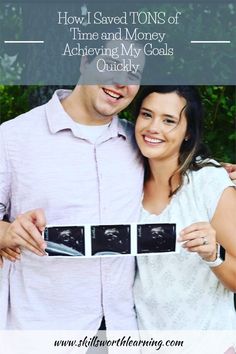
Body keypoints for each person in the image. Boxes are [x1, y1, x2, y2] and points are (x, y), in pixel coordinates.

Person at [0, 39, 145, 330]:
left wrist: (218, 174)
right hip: (39, 330)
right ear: (84, 60)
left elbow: (185, 177)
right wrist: (7, 231)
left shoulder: (141, 144)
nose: (121, 82)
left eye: (133, 75)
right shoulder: (13, 137)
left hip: (123, 329)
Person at [133, 86, 236, 330]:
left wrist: (214, 253)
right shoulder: (126, 184)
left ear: (188, 132)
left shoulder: (208, 182)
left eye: (169, 120)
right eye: (147, 114)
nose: (153, 128)